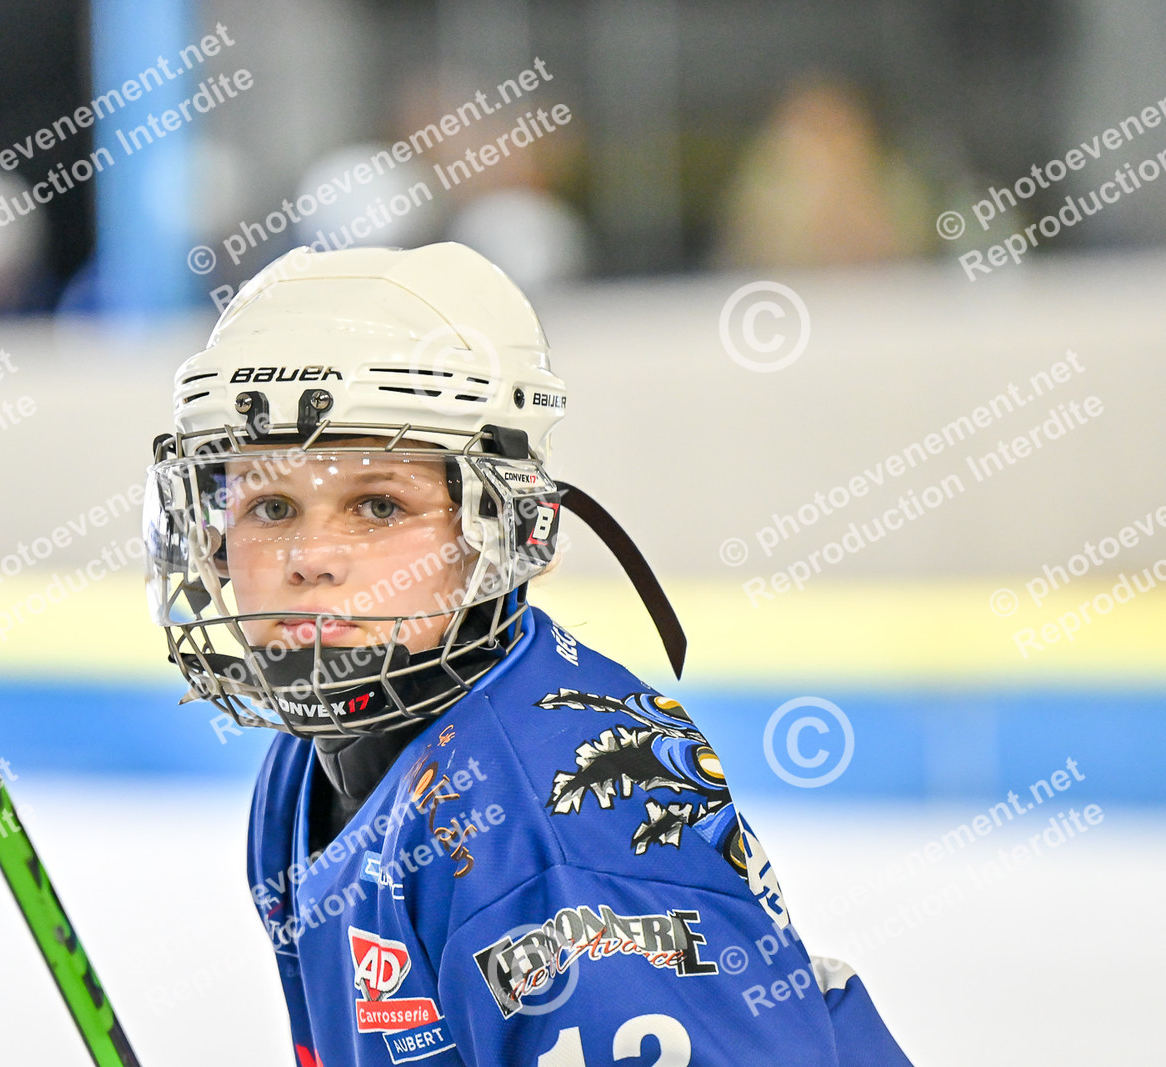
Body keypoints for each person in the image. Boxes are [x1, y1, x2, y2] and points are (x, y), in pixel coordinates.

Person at [144, 242, 911, 1066]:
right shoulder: (307, 765)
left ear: (500, 524)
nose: (310, 558)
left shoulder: (552, 834)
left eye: (378, 504)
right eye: (270, 506)